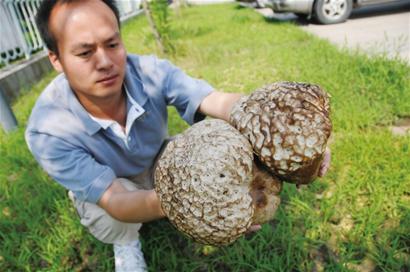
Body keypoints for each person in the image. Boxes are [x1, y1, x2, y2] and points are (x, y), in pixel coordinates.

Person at [26, 1, 330, 271]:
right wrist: (191, 205)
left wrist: (289, 134)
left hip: (161, 161)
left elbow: (217, 101)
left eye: (112, 44)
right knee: (106, 216)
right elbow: (114, 200)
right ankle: (126, 243)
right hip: (111, 187)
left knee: (213, 148)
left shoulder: (150, 72)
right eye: (84, 52)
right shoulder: (49, 130)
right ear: (56, 59)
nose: (104, 61)